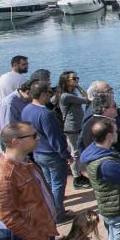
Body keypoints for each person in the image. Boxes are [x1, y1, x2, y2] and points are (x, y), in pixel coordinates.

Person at [21, 81, 72, 221]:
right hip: (52, 155)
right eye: (49, 93)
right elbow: (54, 138)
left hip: (38, 153)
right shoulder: (46, 114)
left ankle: (51, 210)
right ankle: (59, 214)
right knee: (58, 184)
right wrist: (66, 155)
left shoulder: (26, 110)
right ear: (43, 94)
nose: (50, 96)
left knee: (48, 184)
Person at [56, 70, 91, 189]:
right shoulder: (66, 96)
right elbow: (87, 100)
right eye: (74, 79)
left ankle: (79, 175)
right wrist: (79, 87)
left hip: (77, 126)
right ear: (66, 81)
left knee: (78, 151)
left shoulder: (67, 95)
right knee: (75, 153)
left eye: (77, 78)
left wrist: (77, 86)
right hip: (72, 128)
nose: (77, 80)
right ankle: (77, 178)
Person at [0, 79, 32, 144]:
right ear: (28, 92)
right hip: (13, 143)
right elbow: (9, 130)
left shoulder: (26, 99)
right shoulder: (9, 104)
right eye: (35, 95)